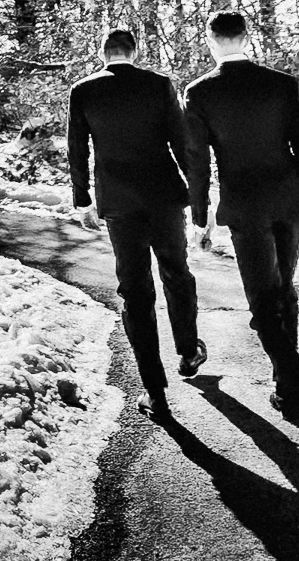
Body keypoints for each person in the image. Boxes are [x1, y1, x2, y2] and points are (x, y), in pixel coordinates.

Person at [183, 10, 299, 471]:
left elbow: (197, 163)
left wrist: (200, 219)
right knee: (283, 293)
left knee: (264, 304)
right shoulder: (283, 84)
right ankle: (287, 392)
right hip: (290, 201)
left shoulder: (200, 92)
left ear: (211, 40)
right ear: (247, 36)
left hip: (246, 206)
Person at [68, 28, 206, 413]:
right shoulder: (159, 84)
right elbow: (181, 142)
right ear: (135, 51)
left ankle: (155, 391)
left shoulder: (84, 90)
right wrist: (198, 197)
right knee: (176, 273)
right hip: (164, 197)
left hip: (118, 203)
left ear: (103, 52)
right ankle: (188, 350)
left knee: (135, 290)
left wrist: (82, 200)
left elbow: (77, 149)